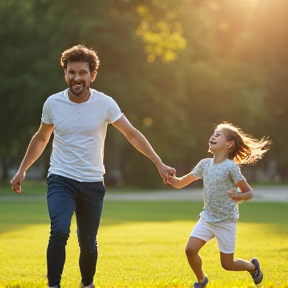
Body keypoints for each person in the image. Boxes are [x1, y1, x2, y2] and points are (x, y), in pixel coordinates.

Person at [10, 44, 175, 288]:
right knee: (59, 230)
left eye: (82, 72)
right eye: (71, 72)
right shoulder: (53, 103)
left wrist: (159, 163)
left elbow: (132, 133)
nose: (77, 77)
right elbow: (41, 138)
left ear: (92, 75)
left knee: (87, 242)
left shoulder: (105, 104)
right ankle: (53, 285)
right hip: (61, 178)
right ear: (65, 74)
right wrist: (23, 168)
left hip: (92, 182)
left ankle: (87, 284)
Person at [167, 122, 271, 288]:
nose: (213, 136)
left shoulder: (231, 167)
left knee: (227, 265)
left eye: (218, 134)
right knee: (190, 250)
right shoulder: (204, 164)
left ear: (229, 144)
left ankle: (253, 267)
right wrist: (170, 178)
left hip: (226, 221)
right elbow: (180, 183)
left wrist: (237, 195)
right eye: (213, 134)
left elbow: (249, 192)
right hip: (207, 218)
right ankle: (202, 281)